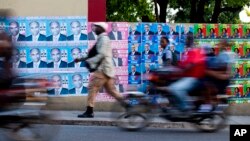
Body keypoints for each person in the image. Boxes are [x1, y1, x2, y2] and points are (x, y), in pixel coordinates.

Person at [75, 22, 127, 118]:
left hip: (102, 70)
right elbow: (92, 53)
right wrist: (80, 59)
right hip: (107, 70)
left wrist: (90, 62)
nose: (94, 29)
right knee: (112, 91)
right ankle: (129, 107)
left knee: (92, 87)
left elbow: (101, 54)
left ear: (101, 28)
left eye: (97, 27)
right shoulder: (101, 39)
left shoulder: (103, 39)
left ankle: (89, 111)